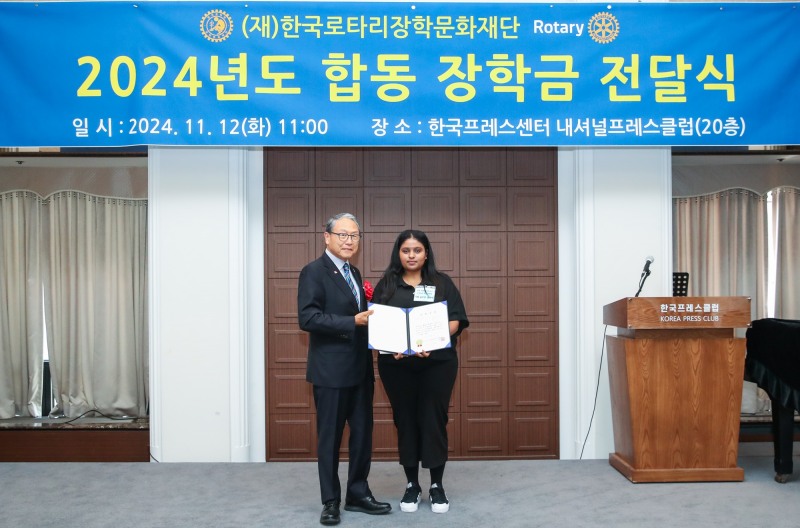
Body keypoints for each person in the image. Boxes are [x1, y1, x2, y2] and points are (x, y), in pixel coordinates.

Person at [297, 213, 391, 526]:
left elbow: (362, 319)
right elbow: (308, 319)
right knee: (330, 439)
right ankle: (330, 501)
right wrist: (351, 322)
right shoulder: (313, 272)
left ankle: (358, 494)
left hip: (360, 370)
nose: (349, 241)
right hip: (330, 372)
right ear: (327, 237)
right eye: (343, 235)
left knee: (363, 435)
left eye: (354, 236)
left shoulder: (354, 271)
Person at [372, 229, 469, 514]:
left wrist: (434, 340)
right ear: (398, 254)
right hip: (396, 365)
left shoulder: (441, 283)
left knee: (433, 419)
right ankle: (412, 485)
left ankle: (437, 485)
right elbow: (377, 321)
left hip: (437, 364)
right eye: (406, 250)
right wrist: (391, 345)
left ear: (426, 253)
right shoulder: (387, 284)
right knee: (406, 421)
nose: (411, 255)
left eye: (417, 250)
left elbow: (457, 320)